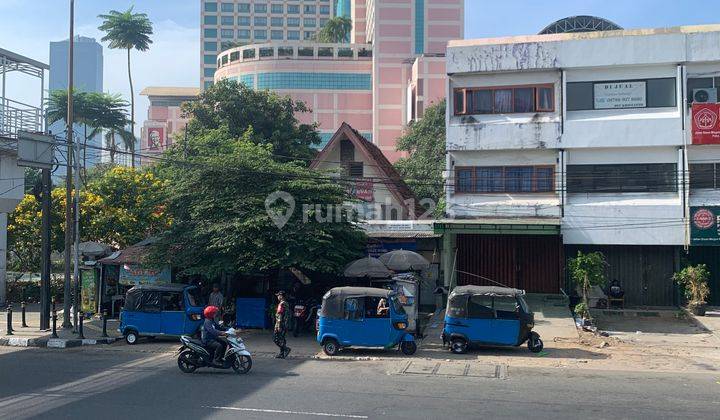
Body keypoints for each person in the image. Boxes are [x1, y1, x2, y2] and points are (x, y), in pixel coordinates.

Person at [273, 291, 292, 359]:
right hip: (284, 324)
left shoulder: (282, 304)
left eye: (278, 295)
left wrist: (278, 326)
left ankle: (286, 349)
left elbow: (280, 316)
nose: (277, 297)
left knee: (275, 338)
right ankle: (281, 354)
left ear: (281, 296)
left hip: (281, 324)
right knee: (282, 339)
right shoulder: (286, 303)